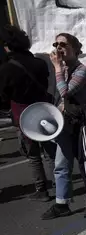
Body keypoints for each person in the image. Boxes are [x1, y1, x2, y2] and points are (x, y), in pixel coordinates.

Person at [42, 33, 86, 220]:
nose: (59, 47)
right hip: (65, 123)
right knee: (61, 164)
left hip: (82, 122)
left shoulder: (82, 70)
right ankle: (62, 203)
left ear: (75, 49)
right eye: (56, 44)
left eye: (63, 44)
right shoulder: (61, 69)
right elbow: (59, 97)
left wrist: (57, 67)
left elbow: (65, 91)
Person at [0, 25, 56, 202]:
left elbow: (3, 96)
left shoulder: (6, 69)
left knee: (33, 155)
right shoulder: (39, 63)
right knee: (49, 152)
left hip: (23, 114)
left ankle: (42, 189)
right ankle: (60, 184)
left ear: (8, 46)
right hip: (43, 110)